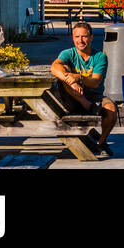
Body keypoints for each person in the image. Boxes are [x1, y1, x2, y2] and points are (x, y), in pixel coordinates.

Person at [50, 22, 117, 157]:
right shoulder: (67, 53)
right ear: (73, 38)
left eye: (84, 37)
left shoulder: (100, 57)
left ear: (91, 37)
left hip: (94, 96)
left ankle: (101, 143)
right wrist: (72, 81)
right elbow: (54, 67)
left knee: (111, 111)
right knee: (64, 70)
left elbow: (95, 82)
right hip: (72, 98)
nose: (80, 40)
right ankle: (86, 104)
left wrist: (78, 78)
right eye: (77, 37)